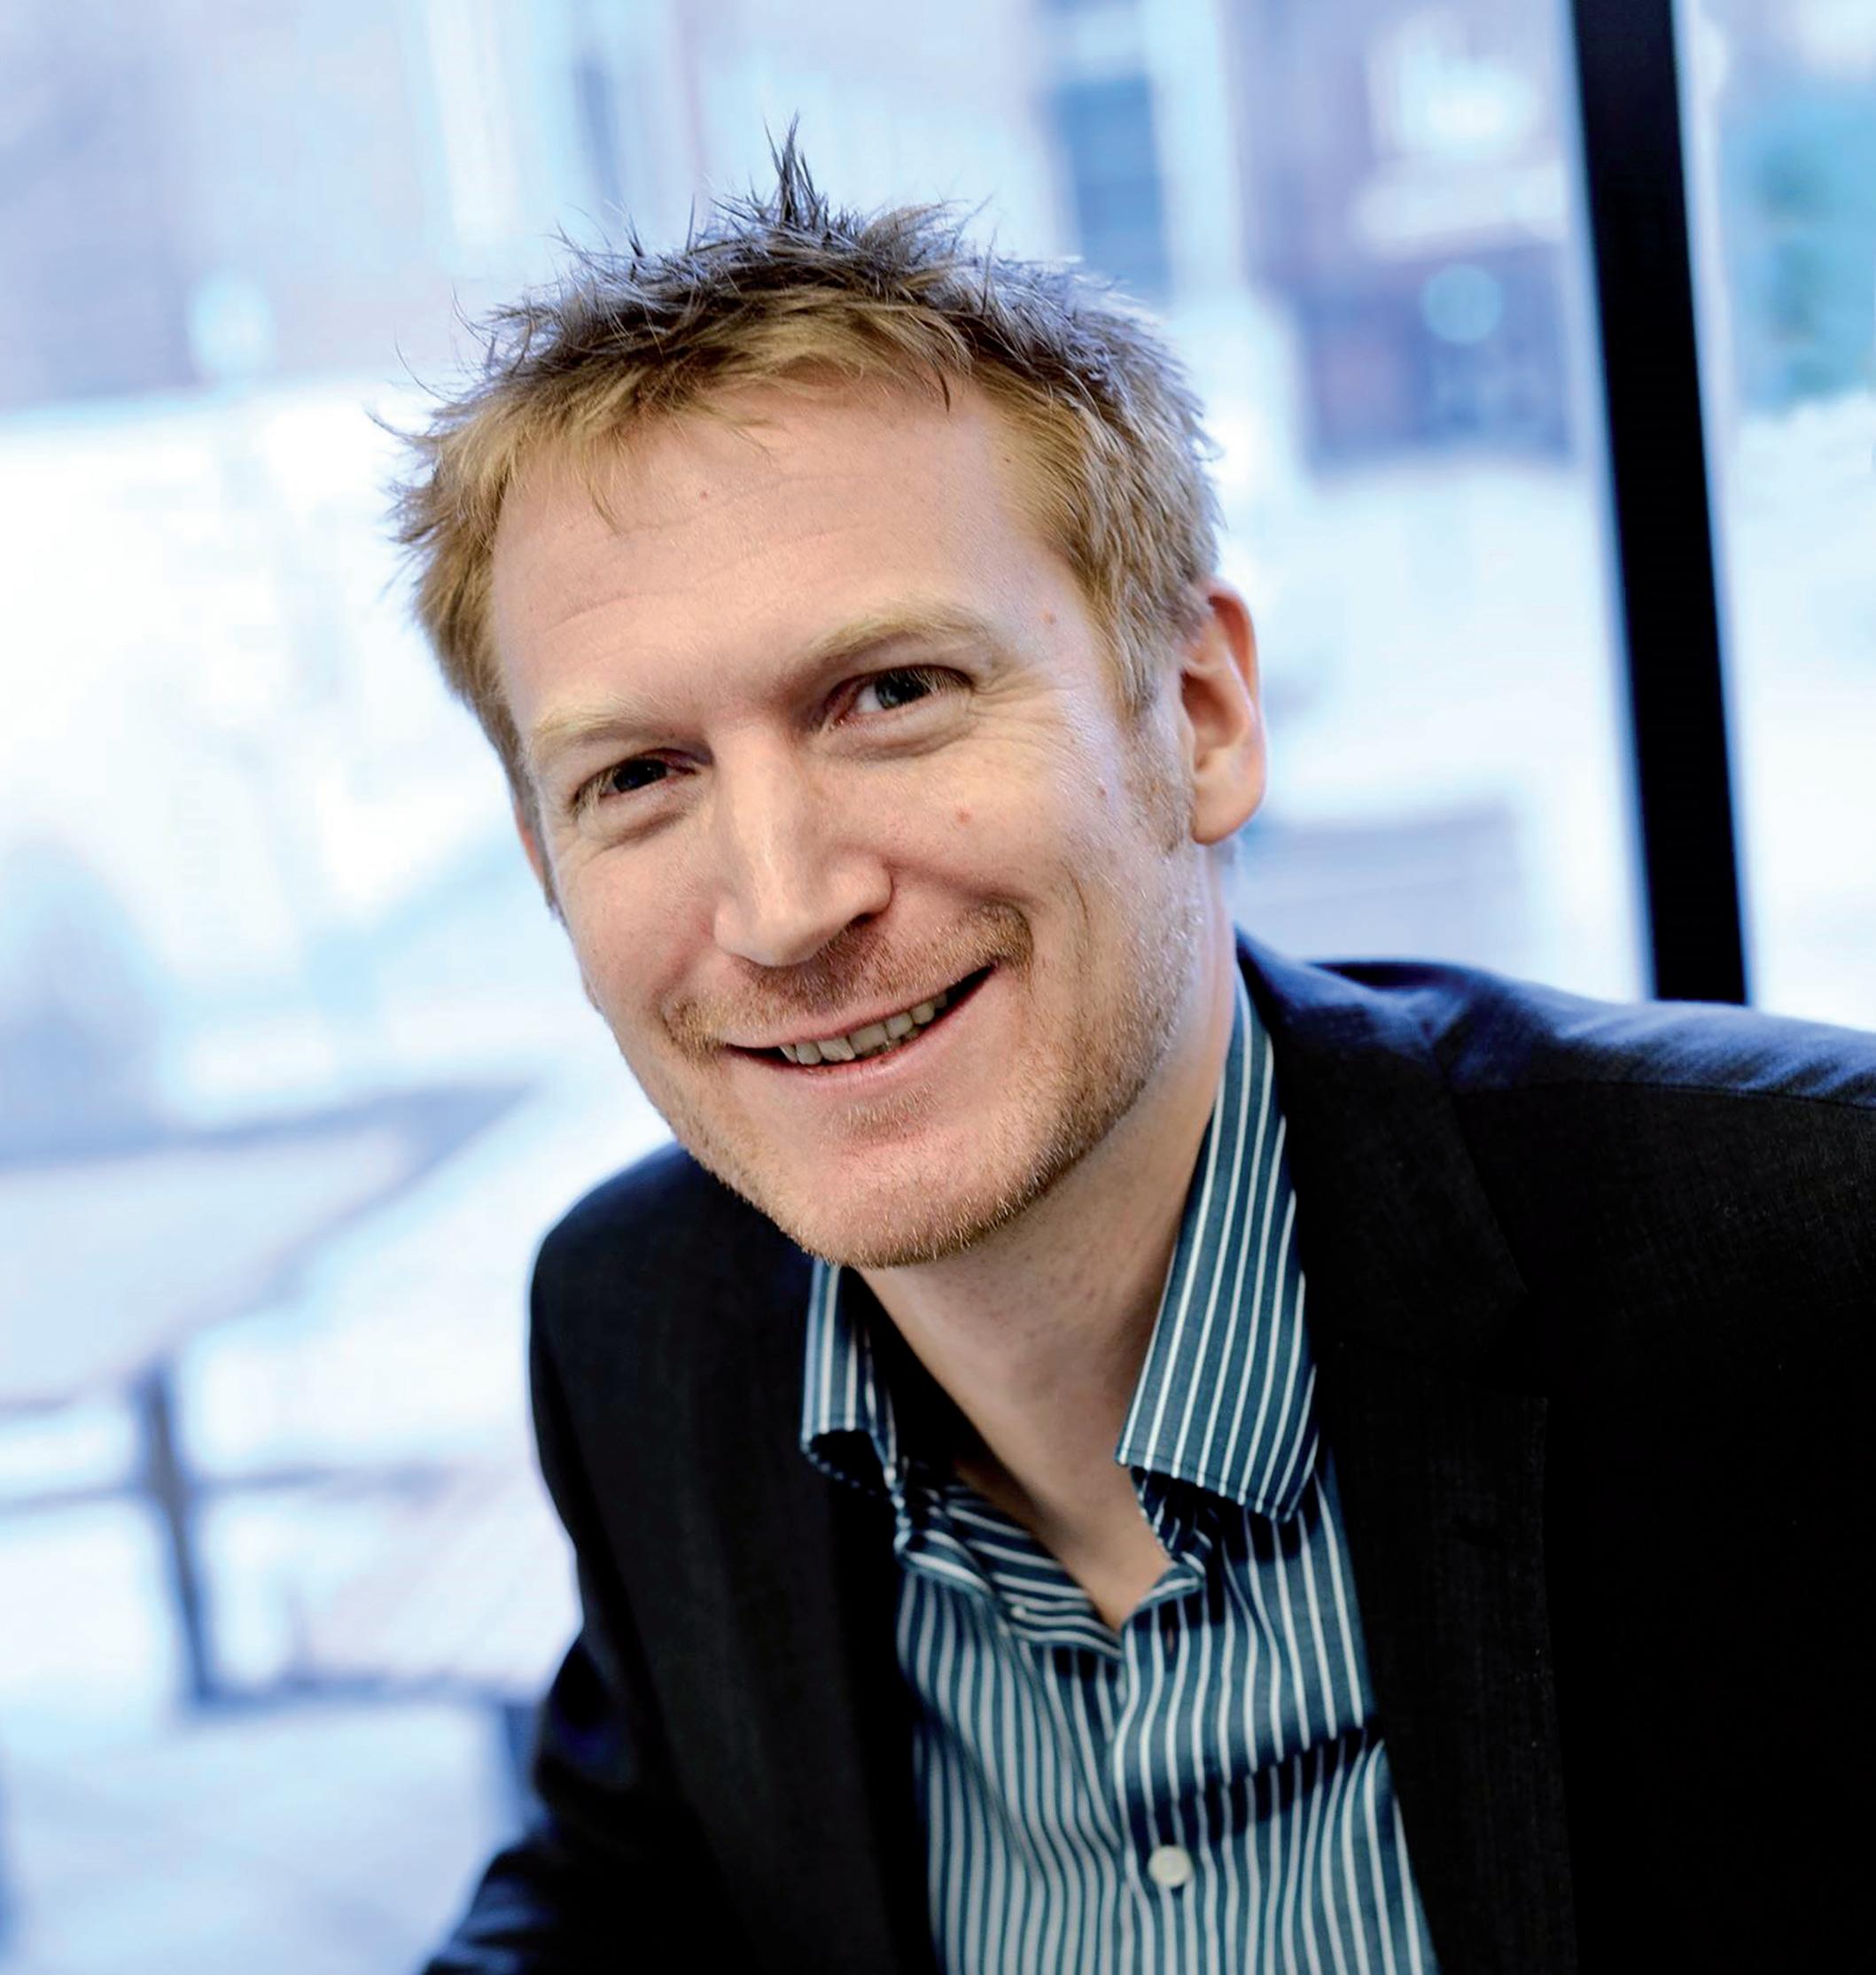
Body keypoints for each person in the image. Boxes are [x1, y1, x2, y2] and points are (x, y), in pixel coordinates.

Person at [397, 146, 1872, 1975]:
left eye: (893, 693)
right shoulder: (644, 1324)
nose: (779, 907)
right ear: (546, 865)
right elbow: (627, 1886)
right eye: (636, 775)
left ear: (1200, 715)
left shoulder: (1811, 1264)